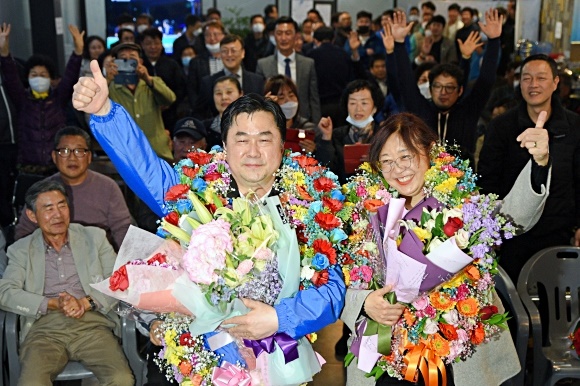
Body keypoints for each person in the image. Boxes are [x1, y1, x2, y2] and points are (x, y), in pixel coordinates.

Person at [72, 59, 345, 366]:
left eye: (264, 139)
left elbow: (332, 290)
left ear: (282, 147)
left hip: (280, 358)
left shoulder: (308, 204)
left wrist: (277, 318)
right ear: (224, 147)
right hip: (206, 358)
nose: (253, 151)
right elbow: (146, 169)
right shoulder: (197, 195)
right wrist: (105, 114)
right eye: (241, 139)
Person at [342, 112, 551, 386]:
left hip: (455, 355)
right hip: (385, 356)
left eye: (406, 156)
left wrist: (539, 163)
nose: (398, 169)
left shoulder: (462, 205)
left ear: (430, 152)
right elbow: (341, 278)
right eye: (387, 162)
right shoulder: (366, 214)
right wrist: (366, 303)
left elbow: (513, 218)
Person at [0, 179, 134, 385]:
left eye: (62, 205)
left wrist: (85, 303)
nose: (58, 214)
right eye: (48, 208)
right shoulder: (20, 249)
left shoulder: (94, 238)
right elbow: (6, 292)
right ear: (32, 215)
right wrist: (50, 303)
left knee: (121, 379)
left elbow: (117, 281)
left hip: (92, 325)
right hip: (44, 330)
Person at [478, 54, 580, 283]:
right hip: (513, 233)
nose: (533, 84)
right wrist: (489, 227)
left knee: (558, 305)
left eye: (541, 78)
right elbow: (487, 180)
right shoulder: (501, 126)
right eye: (526, 78)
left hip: (559, 231)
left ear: (555, 83)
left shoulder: (575, 126)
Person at [385, 10, 502, 158]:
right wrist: (399, 44)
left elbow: (486, 80)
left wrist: (494, 41)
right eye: (438, 86)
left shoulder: (469, 111)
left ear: (460, 91)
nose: (443, 92)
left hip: (463, 178)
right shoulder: (420, 109)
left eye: (449, 87)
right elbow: (405, 80)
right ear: (430, 88)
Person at [14, 126, 131, 251]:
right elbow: (23, 233)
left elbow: (122, 230)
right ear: (54, 156)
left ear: (89, 157)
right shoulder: (42, 190)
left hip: (97, 258)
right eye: (64, 151)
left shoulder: (108, 187)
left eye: (79, 151)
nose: (72, 157)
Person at [0, 23, 84, 174]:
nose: (38, 78)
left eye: (43, 75)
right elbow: (11, 77)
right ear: (28, 78)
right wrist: (4, 53)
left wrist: (78, 52)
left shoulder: (58, 98)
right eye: (34, 75)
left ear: (51, 79)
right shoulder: (22, 100)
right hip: (29, 168)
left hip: (57, 167)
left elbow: (70, 77)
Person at [105, 42, 175, 162]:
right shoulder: (110, 88)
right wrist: (107, 80)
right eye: (123, 59)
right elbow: (95, 109)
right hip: (128, 154)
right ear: (115, 63)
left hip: (157, 152)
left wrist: (147, 78)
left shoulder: (152, 82)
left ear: (141, 62)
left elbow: (170, 99)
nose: (128, 62)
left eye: (132, 58)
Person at [316, 79, 384, 183]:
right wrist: (326, 137)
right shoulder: (336, 135)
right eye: (352, 103)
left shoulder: (384, 135)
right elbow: (325, 169)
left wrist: (377, 163)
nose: (358, 109)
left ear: (374, 108)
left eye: (364, 103)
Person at [256, 16, 321, 123]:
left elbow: (314, 98)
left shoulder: (308, 64)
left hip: (302, 121)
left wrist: (317, 125)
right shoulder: (263, 64)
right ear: (274, 36)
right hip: (274, 121)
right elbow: (259, 97)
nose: (283, 38)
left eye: (288, 33)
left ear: (296, 36)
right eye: (279, 33)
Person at [197, 34, 265, 118]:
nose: (229, 55)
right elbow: (200, 114)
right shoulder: (208, 82)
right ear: (220, 54)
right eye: (225, 51)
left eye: (233, 50)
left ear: (243, 53)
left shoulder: (257, 80)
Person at [140, 27, 186, 134]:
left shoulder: (172, 64)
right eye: (148, 44)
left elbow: (181, 88)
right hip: (146, 114)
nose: (153, 47)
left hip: (171, 114)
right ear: (142, 45)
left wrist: (170, 103)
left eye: (156, 43)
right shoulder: (140, 67)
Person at [264, 75, 316, 156]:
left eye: (291, 95)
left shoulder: (308, 129)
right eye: (281, 97)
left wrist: (312, 151)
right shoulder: (263, 129)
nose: (288, 100)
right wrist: (265, 110)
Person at [186, 20, 226, 117]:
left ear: (223, 36)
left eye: (216, 34)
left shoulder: (230, 58)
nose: (212, 38)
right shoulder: (196, 62)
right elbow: (192, 90)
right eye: (208, 35)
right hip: (205, 112)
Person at [202, 75, 243, 149]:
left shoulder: (251, 125)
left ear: (241, 94)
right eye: (218, 93)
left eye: (229, 92)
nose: (224, 97)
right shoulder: (204, 128)